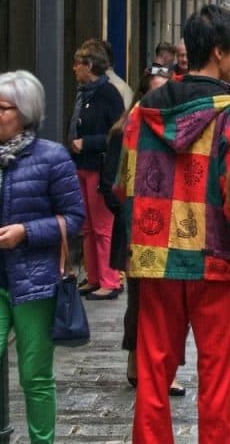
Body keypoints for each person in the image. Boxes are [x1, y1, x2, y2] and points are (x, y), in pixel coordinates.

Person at [118, 5, 230, 443]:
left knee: (153, 377)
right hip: (214, 263)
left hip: (155, 258)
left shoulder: (143, 114)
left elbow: (125, 187)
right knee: (216, 382)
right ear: (219, 52)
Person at [0, 70, 86, 444]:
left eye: (2, 107)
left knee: (34, 375)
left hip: (34, 280)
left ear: (25, 111)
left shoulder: (52, 157)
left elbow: (75, 218)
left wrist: (26, 232)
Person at [98, 63, 188, 396]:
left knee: (174, 304)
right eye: (153, 91)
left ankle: (169, 370)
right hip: (137, 230)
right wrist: (131, 215)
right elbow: (109, 185)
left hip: (173, 229)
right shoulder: (124, 131)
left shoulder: (178, 131)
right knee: (139, 302)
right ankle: (137, 361)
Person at [68, 38, 125, 300]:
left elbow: (118, 134)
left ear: (89, 65)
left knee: (103, 227)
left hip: (99, 166)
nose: (74, 68)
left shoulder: (109, 94)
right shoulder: (84, 94)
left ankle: (109, 279)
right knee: (87, 227)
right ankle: (93, 277)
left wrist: (87, 142)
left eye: (78, 63)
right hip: (82, 165)